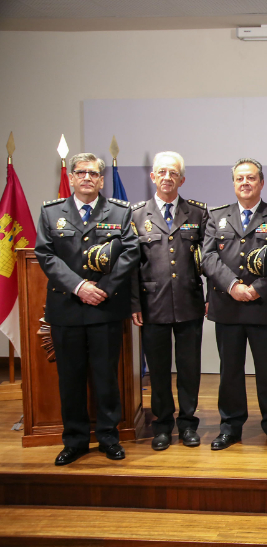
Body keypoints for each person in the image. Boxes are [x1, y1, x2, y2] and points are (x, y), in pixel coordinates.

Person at [34, 152, 139, 465]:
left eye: (93, 173)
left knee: (106, 377)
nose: (87, 178)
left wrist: (103, 288)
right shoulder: (51, 213)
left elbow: (130, 252)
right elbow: (46, 254)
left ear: (101, 180)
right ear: (71, 177)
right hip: (66, 307)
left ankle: (108, 438)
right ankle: (75, 440)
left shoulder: (120, 211)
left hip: (105, 306)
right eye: (81, 172)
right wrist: (79, 286)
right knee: (70, 379)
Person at [201, 158, 267, 451]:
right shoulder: (217, 216)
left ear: (261, 182)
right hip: (227, 306)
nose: (245, 183)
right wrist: (233, 285)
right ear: (233, 183)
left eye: (251, 178)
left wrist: (257, 289)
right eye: (240, 178)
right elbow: (208, 257)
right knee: (230, 372)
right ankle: (230, 427)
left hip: (263, 307)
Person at [130, 151, 208, 451]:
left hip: (189, 302)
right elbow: (131, 265)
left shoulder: (197, 213)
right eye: (162, 172)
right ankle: (162, 425)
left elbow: (209, 260)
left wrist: (211, 297)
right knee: (159, 369)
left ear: (182, 179)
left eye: (173, 173)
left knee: (189, 368)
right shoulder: (137, 215)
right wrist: (134, 303)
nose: (167, 177)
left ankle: (188, 424)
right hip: (153, 304)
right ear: (153, 176)